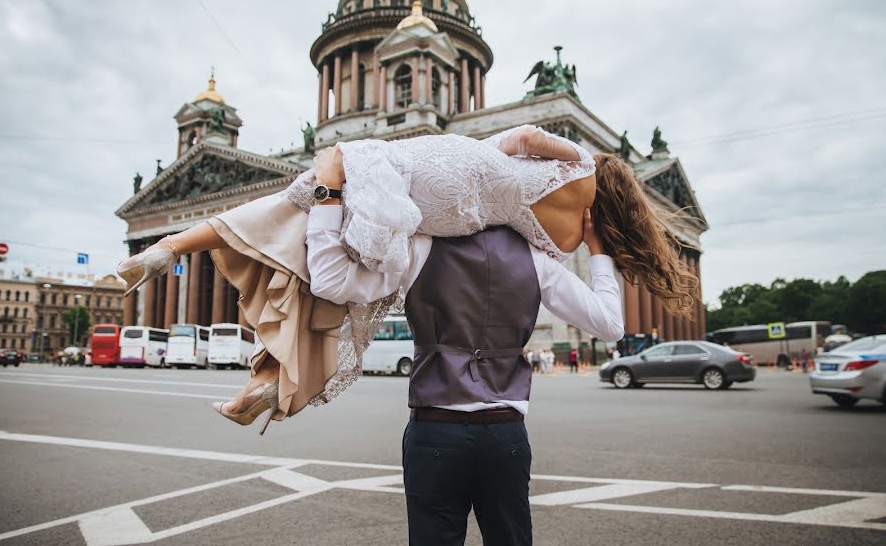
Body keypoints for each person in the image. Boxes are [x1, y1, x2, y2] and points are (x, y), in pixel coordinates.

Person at [117, 126, 696, 428]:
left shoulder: (575, 161)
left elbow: (517, 142)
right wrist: (600, 253)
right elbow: (603, 317)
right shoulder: (561, 242)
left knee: (284, 218)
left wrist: (469, 150)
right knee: (338, 281)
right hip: (442, 225)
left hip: (434, 175)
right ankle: (273, 379)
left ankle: (167, 248)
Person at [302, 146, 624, 544]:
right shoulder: (537, 261)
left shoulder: (418, 248)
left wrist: (328, 194)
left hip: (435, 432)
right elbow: (611, 326)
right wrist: (597, 249)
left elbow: (330, 281)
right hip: (505, 435)